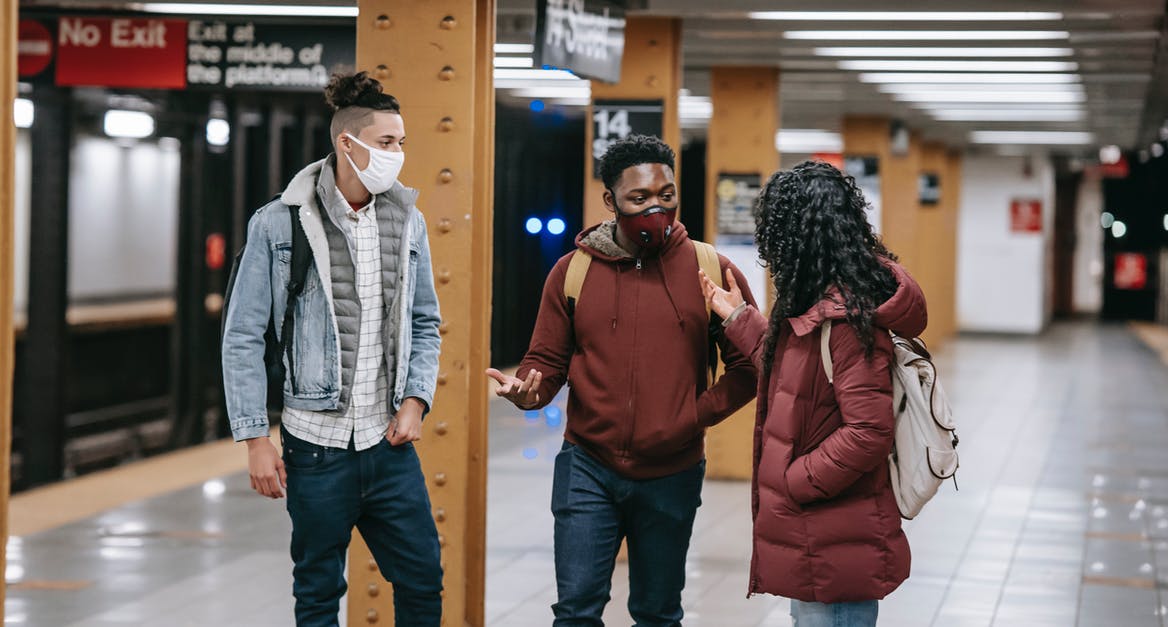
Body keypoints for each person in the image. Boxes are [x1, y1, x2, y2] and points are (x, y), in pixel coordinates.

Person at [486, 134, 758, 626]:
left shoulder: (710, 268)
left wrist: (691, 417)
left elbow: (751, 364)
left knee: (657, 612)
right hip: (587, 467)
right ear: (611, 202)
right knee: (576, 611)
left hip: (673, 472)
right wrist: (529, 391)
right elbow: (545, 361)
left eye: (666, 195)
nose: (656, 208)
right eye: (639, 199)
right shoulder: (573, 272)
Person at [221, 72, 444, 626]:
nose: (398, 154)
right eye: (387, 142)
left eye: (401, 142)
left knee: (422, 578)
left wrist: (416, 400)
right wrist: (255, 439)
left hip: (387, 445)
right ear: (349, 143)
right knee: (318, 591)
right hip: (315, 449)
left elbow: (425, 321)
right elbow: (243, 335)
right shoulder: (280, 224)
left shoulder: (406, 221)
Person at [700, 161, 926, 627]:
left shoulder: (846, 321)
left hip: (834, 535)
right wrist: (737, 316)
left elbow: (868, 431)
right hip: (819, 537)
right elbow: (793, 379)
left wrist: (795, 479)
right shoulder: (820, 305)